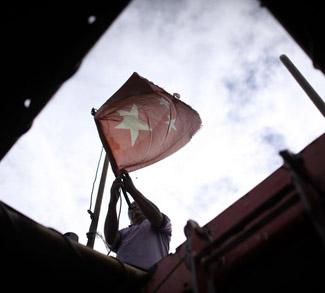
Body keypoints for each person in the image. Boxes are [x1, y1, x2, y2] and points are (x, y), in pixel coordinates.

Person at [104, 171, 172, 271]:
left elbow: (157, 218)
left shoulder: (158, 224)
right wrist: (113, 202)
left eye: (137, 205)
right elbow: (110, 240)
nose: (134, 208)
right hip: (123, 276)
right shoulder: (123, 232)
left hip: (154, 278)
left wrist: (132, 190)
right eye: (130, 208)